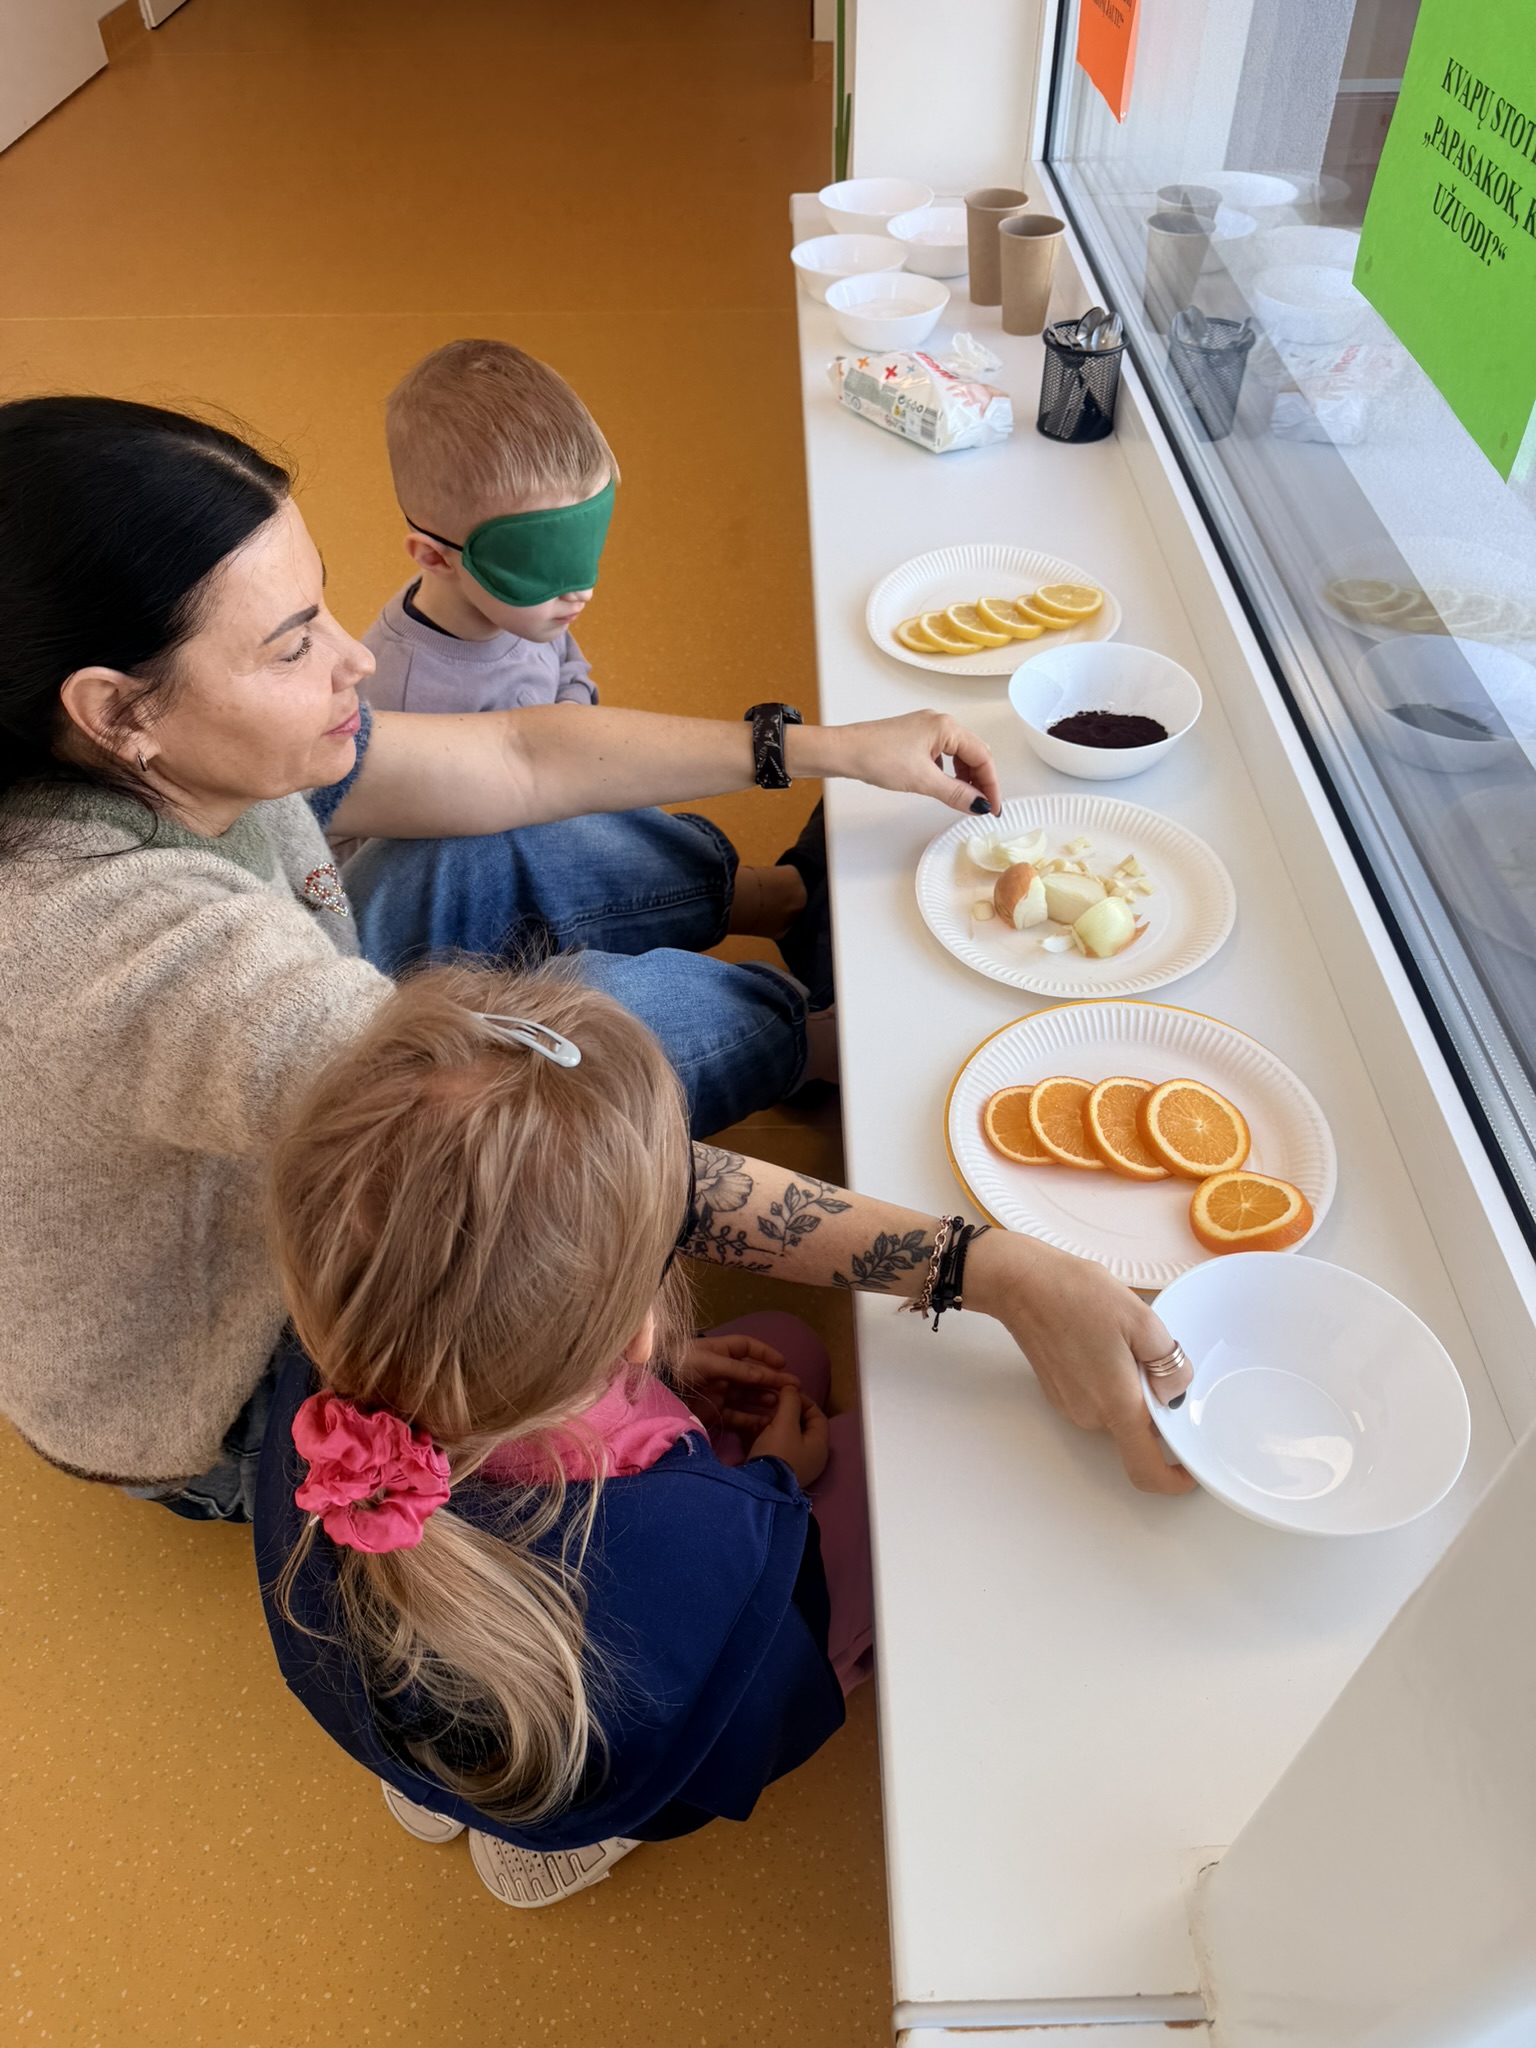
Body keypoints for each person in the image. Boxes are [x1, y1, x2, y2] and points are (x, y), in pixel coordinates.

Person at [0, 391, 1191, 1525]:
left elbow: (515, 758)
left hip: (294, 1083)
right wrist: (986, 1269)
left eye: (319, 607)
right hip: (241, 1369)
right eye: (290, 644)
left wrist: (821, 746)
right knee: (607, 1044)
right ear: (114, 710)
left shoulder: (166, 745)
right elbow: (531, 1155)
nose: (352, 658)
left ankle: (781, 905)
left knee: (490, 843)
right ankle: (807, 1032)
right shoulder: (119, 942)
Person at [258, 963, 871, 1908]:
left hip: (430, 1662)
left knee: (790, 1351)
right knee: (876, 1481)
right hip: (604, 1744)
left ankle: (438, 1774)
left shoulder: (325, 1405)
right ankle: (579, 1824)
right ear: (633, 1334)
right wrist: (777, 1489)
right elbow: (761, 1719)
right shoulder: (719, 1546)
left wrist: (666, 1382)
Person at [347, 338, 829, 1004]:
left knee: (629, 806)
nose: (581, 593)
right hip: (458, 929)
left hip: (556, 810)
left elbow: (568, 666)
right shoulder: (405, 694)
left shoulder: (526, 611)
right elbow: (423, 872)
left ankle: (770, 903)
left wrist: (575, 723)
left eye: (587, 555)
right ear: (434, 557)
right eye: (546, 570)